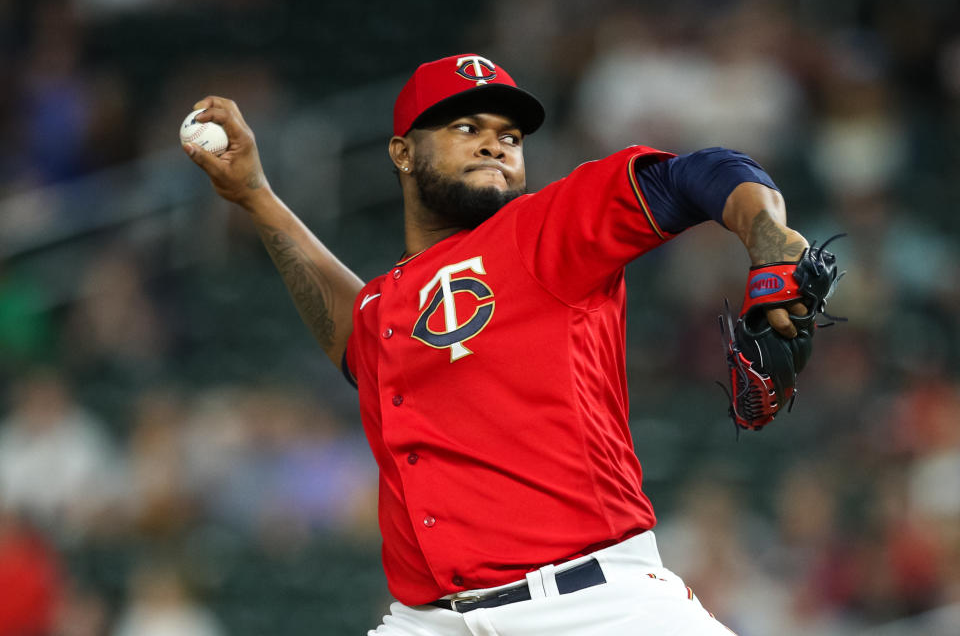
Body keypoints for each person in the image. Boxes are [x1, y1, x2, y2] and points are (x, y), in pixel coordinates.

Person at [183, 53, 811, 635]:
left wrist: (767, 236)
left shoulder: (544, 229)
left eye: (510, 136)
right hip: (428, 622)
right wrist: (255, 196)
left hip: (594, 605)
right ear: (402, 153)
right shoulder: (385, 305)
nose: (495, 142)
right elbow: (359, 336)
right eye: (465, 126)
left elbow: (700, 172)